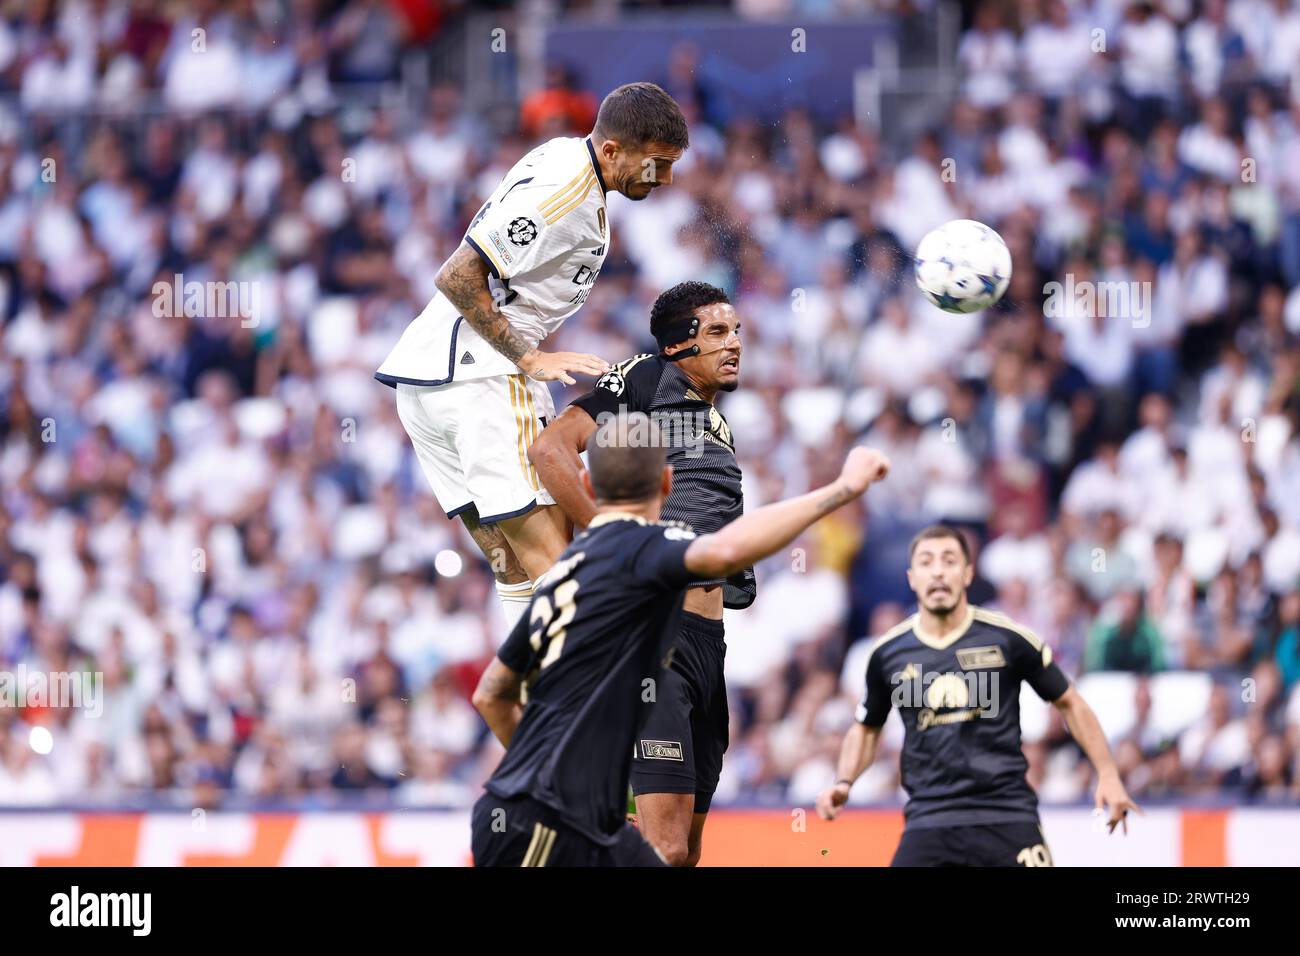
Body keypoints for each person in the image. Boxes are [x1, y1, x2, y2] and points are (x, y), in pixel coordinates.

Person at [469, 413, 890, 866]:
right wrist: (842, 488)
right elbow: (728, 549)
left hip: (531, 810)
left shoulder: (561, 576)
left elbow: (491, 696)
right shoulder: (646, 548)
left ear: (589, 488)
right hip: (549, 821)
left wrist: (542, 769)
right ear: (668, 482)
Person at [375, 82, 689, 629]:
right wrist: (527, 356)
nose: (663, 180)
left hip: (427, 383)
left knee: (514, 567)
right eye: (656, 165)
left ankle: (526, 707)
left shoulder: (568, 157)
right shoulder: (566, 193)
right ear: (613, 150)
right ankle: (583, 710)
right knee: (557, 568)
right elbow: (456, 275)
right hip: (484, 378)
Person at [527, 280, 747, 866]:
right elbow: (551, 450)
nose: (735, 345)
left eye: (738, 331)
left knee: (685, 852)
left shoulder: (715, 423)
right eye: (719, 332)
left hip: (708, 644)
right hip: (659, 640)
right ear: (678, 345)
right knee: (666, 848)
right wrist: (608, 537)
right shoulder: (647, 377)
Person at [816, 524, 1141, 867]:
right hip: (930, 820)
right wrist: (844, 781)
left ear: (968, 573)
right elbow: (867, 728)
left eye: (949, 560)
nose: (938, 571)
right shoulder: (889, 653)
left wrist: (1107, 773)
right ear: (912, 578)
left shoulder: (1008, 638)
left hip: (1006, 815)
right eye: (927, 562)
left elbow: (1069, 702)